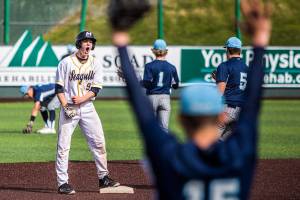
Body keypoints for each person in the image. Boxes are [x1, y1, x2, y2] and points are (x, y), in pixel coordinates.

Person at [108, 0, 271, 199]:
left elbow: (143, 112)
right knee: (224, 142)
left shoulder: (170, 157)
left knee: (159, 130)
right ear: (218, 113)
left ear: (182, 119)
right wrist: (260, 41)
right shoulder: (239, 154)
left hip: (166, 99)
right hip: (218, 105)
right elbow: (252, 101)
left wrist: (120, 38)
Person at [55, 30, 119, 195]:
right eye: (85, 41)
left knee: (98, 142)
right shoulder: (66, 63)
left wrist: (83, 98)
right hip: (69, 107)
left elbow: (96, 88)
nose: (88, 44)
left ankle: (103, 177)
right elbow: (59, 88)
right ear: (79, 44)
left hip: (88, 107)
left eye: (91, 41)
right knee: (63, 146)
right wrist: (65, 106)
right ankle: (63, 182)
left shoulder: (95, 63)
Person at [215, 36, 249, 140]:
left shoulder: (224, 66)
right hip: (241, 110)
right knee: (224, 143)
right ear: (240, 50)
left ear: (228, 50)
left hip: (228, 107)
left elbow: (220, 92)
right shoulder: (246, 67)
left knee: (209, 139)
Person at [142, 39, 179, 131]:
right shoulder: (172, 67)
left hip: (152, 97)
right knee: (164, 128)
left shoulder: (149, 66)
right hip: (165, 98)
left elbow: (146, 83)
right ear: (166, 52)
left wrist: (139, 81)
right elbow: (176, 85)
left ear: (154, 51)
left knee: (151, 129)